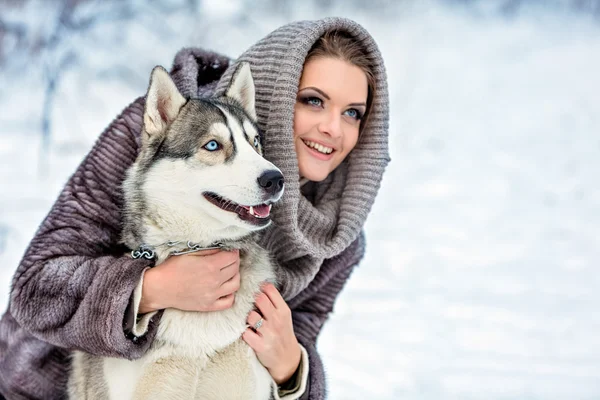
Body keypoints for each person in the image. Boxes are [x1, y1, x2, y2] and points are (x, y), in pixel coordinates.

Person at [0, 17, 389, 400]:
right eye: (313, 101)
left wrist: (291, 367)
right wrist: (150, 288)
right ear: (273, 94)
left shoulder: (336, 231)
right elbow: (35, 287)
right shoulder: (161, 131)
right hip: (43, 383)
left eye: (352, 112)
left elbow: (300, 337)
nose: (333, 129)